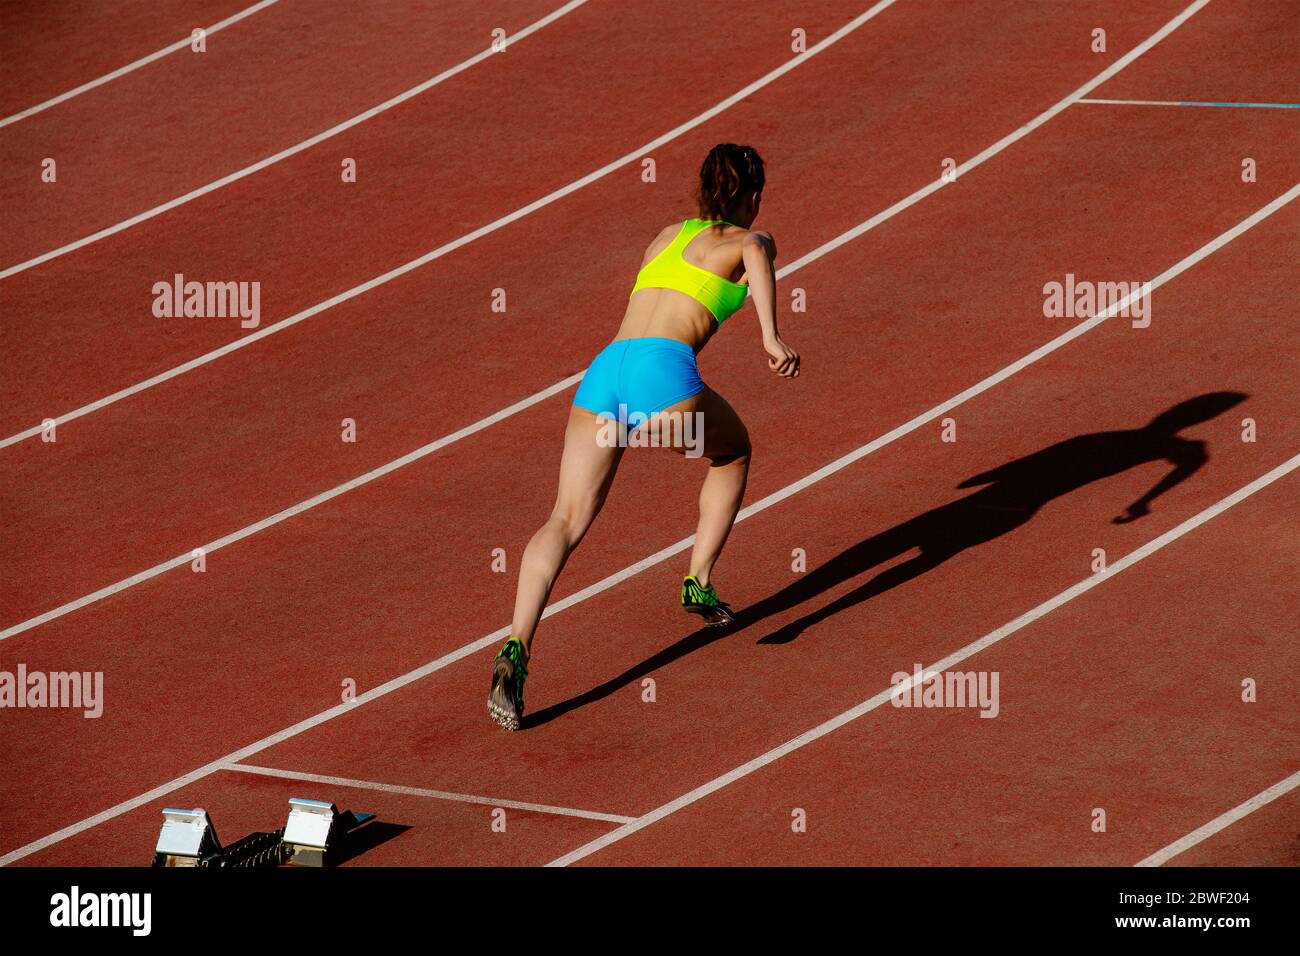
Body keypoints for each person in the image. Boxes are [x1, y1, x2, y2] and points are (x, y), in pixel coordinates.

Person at [488, 143, 799, 731]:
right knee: (732, 453)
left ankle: (515, 648)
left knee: (564, 518)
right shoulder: (747, 240)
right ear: (753, 197)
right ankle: (698, 580)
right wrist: (770, 336)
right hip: (662, 377)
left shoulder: (665, 235)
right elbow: (757, 249)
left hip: (605, 373)